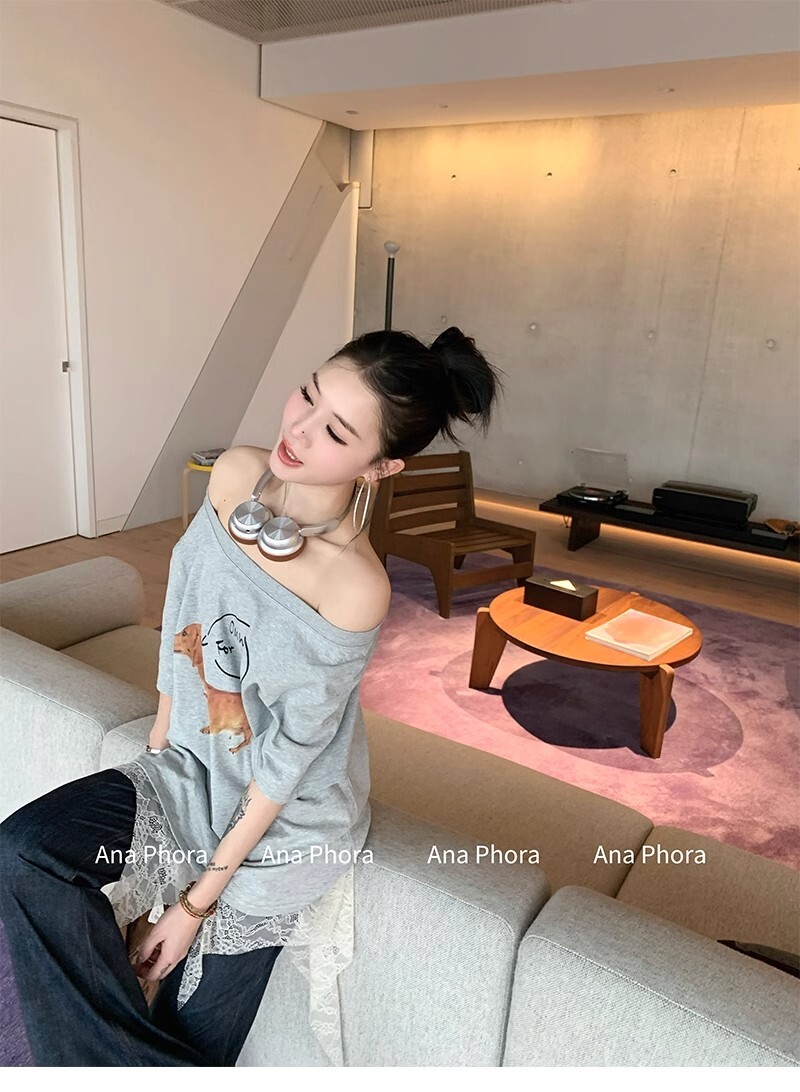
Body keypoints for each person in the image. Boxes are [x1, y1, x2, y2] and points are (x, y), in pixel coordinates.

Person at [0, 325, 503, 1067]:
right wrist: (158, 757)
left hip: (287, 827)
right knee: (26, 852)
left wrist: (192, 905)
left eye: (336, 431)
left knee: (189, 1034)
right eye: (307, 394)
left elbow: (287, 762)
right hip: (190, 767)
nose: (299, 429)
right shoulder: (235, 473)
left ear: (380, 466)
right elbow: (184, 619)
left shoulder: (353, 586)